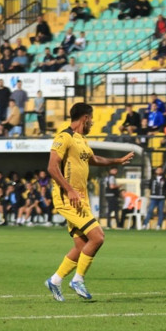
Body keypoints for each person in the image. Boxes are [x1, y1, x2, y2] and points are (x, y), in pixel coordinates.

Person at [44, 102, 134, 302]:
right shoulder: (64, 137)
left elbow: (93, 159)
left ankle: (55, 280)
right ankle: (78, 279)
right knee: (98, 237)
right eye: (91, 119)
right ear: (85, 117)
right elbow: (52, 167)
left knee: (81, 244)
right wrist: (69, 190)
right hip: (68, 198)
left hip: (79, 199)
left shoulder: (81, 140)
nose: (92, 122)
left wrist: (117, 161)